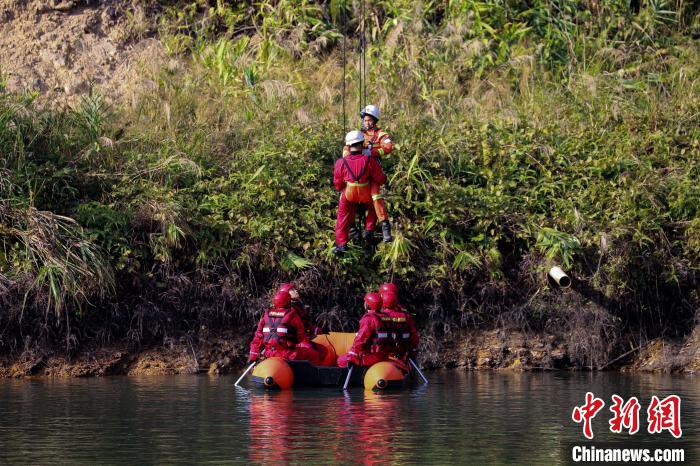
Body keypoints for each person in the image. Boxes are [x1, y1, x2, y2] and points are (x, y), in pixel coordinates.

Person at [343, 105, 395, 243]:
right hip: (359, 173)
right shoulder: (358, 134)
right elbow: (346, 150)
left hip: (373, 172)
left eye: (369, 120)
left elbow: (389, 147)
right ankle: (353, 227)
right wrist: (352, 158)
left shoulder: (381, 135)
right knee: (349, 198)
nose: (367, 123)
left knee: (376, 197)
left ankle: (384, 227)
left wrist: (372, 152)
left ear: (375, 120)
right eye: (365, 120)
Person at [333, 130, 386, 254]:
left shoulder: (341, 162)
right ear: (362, 143)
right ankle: (368, 230)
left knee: (342, 216)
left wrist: (344, 188)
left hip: (349, 195)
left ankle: (341, 244)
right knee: (373, 209)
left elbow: (337, 184)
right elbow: (380, 179)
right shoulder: (369, 160)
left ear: (348, 145)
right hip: (366, 194)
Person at [247, 290, 319, 363]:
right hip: (287, 354)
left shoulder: (266, 314)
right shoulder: (292, 315)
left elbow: (257, 337)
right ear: (288, 302)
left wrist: (253, 355)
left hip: (269, 353)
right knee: (314, 355)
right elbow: (300, 337)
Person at [276, 283, 334, 366]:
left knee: (322, 350)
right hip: (294, 342)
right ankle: (309, 375)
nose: (296, 290)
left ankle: (314, 370)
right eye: (292, 290)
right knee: (311, 351)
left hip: (301, 339)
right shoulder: (289, 310)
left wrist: (319, 330)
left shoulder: (297, 307)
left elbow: (305, 327)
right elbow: (300, 331)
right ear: (286, 293)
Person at [379, 289, 419, 361]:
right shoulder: (406, 315)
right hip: (401, 350)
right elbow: (414, 335)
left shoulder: (378, 316)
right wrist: (414, 348)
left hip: (383, 351)